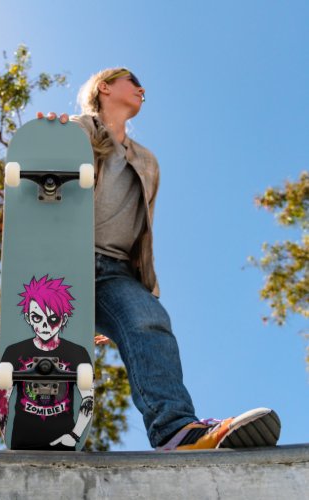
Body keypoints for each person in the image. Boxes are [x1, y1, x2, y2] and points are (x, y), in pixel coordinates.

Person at [37, 67, 281, 450]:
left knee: (150, 320)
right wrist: (47, 138)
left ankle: (176, 432)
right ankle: (42, 422)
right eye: (132, 82)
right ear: (104, 87)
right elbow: (40, 175)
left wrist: (128, 297)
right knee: (52, 348)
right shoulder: (75, 130)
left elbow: (140, 230)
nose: (141, 89)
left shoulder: (147, 161)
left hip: (115, 271)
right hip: (65, 259)